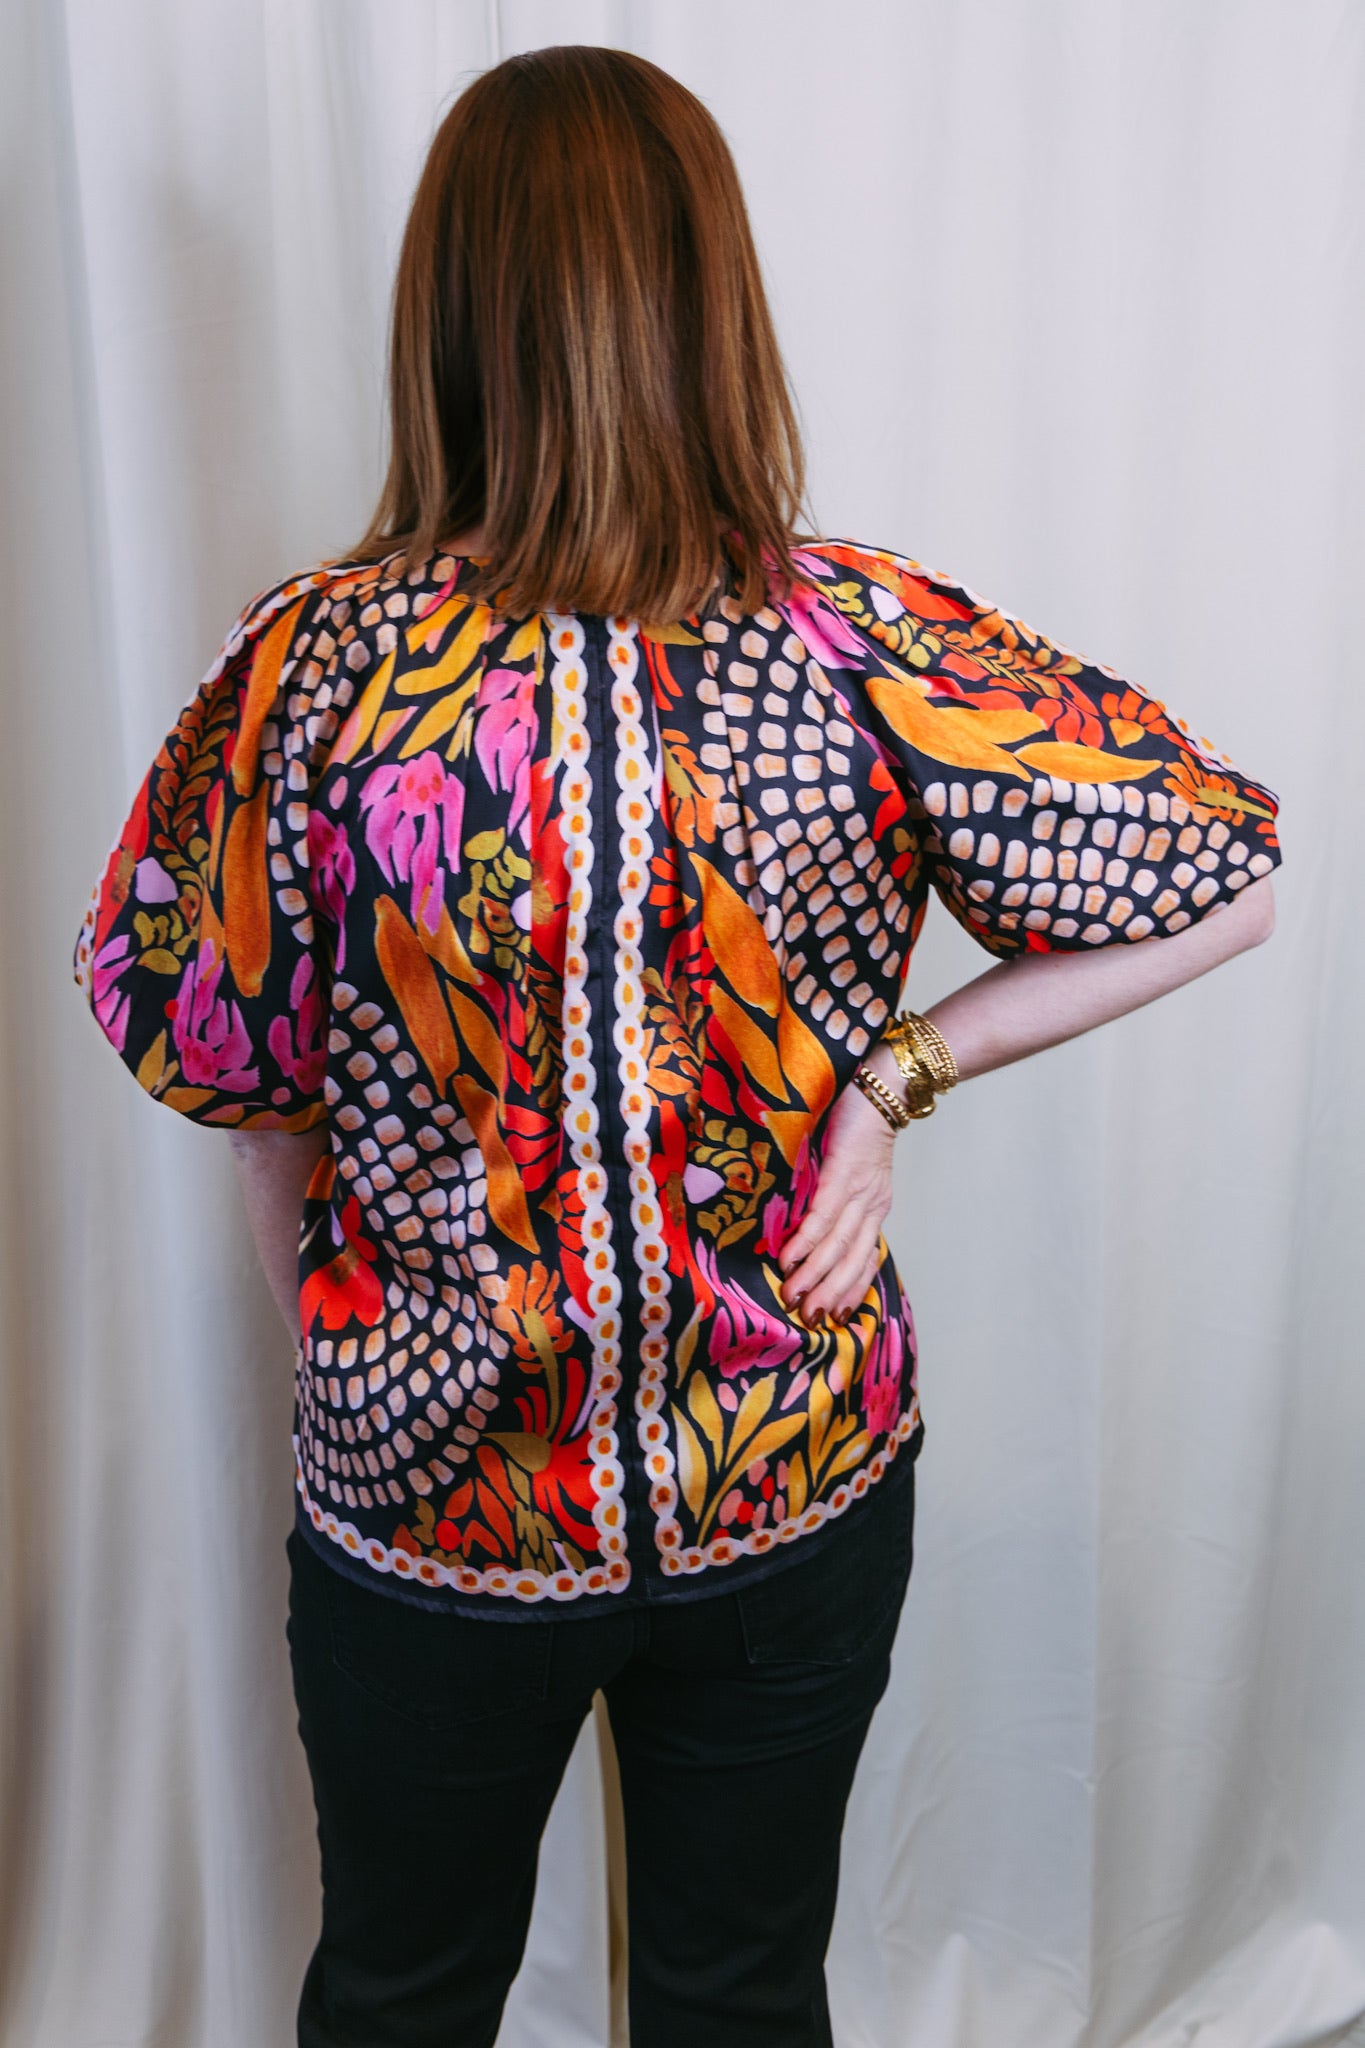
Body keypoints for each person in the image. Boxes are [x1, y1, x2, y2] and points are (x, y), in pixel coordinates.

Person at [74, 42, 1280, 2048]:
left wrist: (348, 1325)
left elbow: (234, 1077)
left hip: (464, 1479)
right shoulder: (845, 637)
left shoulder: (317, 669)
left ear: (451, 308)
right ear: (710, 297)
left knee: (403, 1997)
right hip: (759, 1461)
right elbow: (1219, 878)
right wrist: (886, 1086)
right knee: (731, 2000)